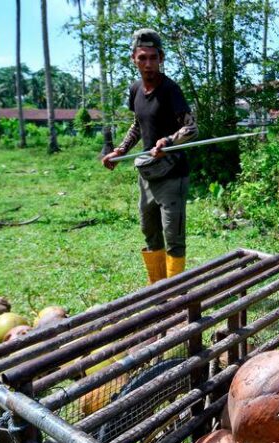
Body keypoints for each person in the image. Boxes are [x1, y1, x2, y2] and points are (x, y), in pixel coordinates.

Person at [102, 29, 198, 284]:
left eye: (153, 57)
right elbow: (137, 124)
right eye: (142, 58)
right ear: (133, 58)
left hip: (172, 174)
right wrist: (120, 150)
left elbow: (191, 128)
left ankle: (174, 292)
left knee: (173, 236)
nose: (148, 64)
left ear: (161, 58)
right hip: (147, 174)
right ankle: (155, 288)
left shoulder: (170, 90)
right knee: (149, 231)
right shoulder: (135, 90)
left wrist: (168, 141)